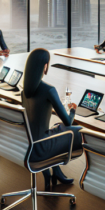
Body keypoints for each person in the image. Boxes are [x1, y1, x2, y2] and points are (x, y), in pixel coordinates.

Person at [20, 49, 82, 188]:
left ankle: (53, 173)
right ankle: (54, 171)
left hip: (27, 146)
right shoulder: (49, 90)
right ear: (45, 65)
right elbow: (68, 122)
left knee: (55, 128)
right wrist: (73, 110)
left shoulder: (24, 92)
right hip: (42, 148)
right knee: (77, 131)